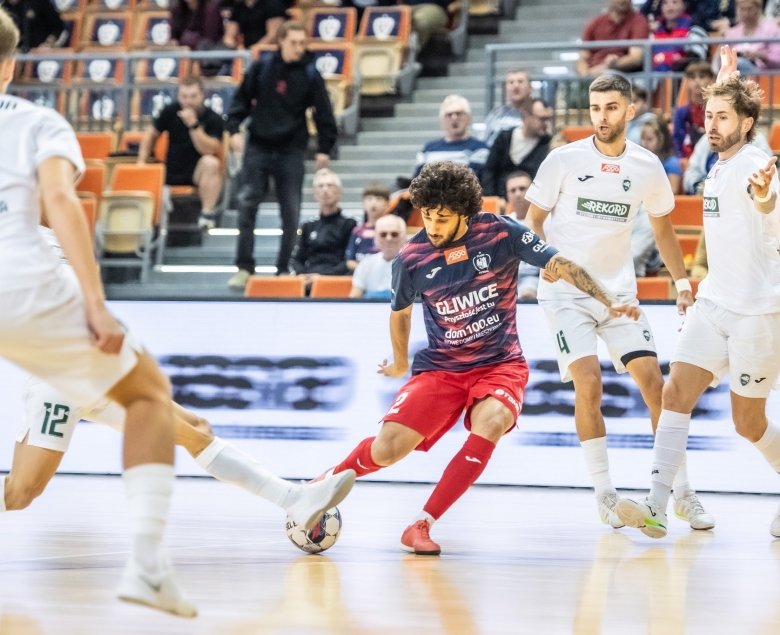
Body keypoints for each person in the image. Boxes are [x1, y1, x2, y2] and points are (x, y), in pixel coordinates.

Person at [311, 160, 643, 556]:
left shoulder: (502, 232)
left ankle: (422, 524)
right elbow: (400, 314)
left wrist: (609, 299)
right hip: (441, 368)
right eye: (428, 216)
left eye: (442, 218)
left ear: (465, 213)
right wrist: (400, 363)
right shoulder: (411, 259)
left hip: (500, 364)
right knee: (387, 450)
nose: (432, 227)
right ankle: (321, 486)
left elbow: (560, 264)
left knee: (493, 420)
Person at [0, 9, 194, 616]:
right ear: (10, 64)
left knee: (26, 486)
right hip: (26, 291)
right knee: (150, 398)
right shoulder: (36, 122)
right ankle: (145, 567)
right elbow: (60, 199)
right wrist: (94, 304)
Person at [8, 223, 356, 534]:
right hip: (63, 377)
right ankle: (295, 498)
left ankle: (295, 498)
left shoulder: (50, 235)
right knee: (21, 492)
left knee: (197, 428)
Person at [525, 74, 714, 532]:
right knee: (588, 386)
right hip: (566, 292)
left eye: (611, 107)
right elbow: (531, 223)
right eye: (595, 108)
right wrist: (542, 260)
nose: (601, 116)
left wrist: (682, 283)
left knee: (658, 387)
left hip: (619, 296)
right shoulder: (563, 160)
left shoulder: (648, 167)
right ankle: (606, 495)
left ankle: (681, 493)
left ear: (630, 110)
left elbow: (665, 231)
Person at [617, 46, 780, 539]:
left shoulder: (757, 163)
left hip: (757, 312)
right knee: (673, 394)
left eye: (723, 117)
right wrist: (726, 81)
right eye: (708, 116)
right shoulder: (716, 158)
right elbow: (724, 113)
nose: (711, 124)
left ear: (747, 122)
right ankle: (656, 506)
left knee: (748, 424)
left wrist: (766, 193)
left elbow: (765, 200)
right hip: (713, 303)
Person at [226, 21, 338, 287]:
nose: (299, 48)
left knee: (291, 211)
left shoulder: (310, 74)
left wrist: (324, 147)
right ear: (282, 42)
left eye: (302, 43)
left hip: (291, 149)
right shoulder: (262, 68)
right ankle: (244, 267)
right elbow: (240, 100)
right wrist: (233, 129)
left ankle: (282, 268)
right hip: (258, 145)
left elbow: (324, 113)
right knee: (246, 206)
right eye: (294, 43)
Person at [138, 75, 224, 230]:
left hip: (197, 173)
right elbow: (150, 134)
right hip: (171, 168)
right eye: (184, 96)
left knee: (211, 163)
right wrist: (141, 162)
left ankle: (206, 215)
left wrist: (193, 125)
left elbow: (210, 149)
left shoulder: (213, 118)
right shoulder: (170, 111)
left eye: (193, 96)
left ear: (202, 96)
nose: (188, 101)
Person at [290, 169, 357, 286]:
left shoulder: (350, 224)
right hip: (308, 279)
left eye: (330, 186)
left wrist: (323, 277)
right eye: (320, 186)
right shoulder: (308, 226)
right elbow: (297, 259)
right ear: (315, 194)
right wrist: (302, 274)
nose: (325, 190)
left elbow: (349, 261)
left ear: (339, 191)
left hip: (335, 281)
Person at [482, 99, 553, 198]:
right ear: (525, 117)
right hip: (499, 203)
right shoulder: (504, 138)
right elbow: (489, 171)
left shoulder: (548, 145)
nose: (546, 123)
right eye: (542, 119)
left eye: (549, 118)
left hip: (531, 204)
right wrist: (493, 200)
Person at [414, 95, 489, 180]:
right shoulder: (428, 149)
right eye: (449, 115)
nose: (454, 118)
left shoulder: (479, 148)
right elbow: (418, 178)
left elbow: (471, 179)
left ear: (469, 118)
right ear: (442, 121)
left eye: (459, 114)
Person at [683, 124, 771, 194]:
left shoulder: (757, 140)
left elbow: (763, 176)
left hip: (743, 201)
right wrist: (700, 188)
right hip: (706, 201)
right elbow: (691, 171)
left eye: (723, 117)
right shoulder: (706, 140)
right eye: (710, 116)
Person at [576, 0, 649, 76]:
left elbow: (635, 58)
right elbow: (583, 57)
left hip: (621, 77)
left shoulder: (639, 22)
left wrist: (609, 66)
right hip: (593, 76)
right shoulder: (594, 23)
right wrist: (585, 73)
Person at [349, 215, 406, 299]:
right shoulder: (365, 265)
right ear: (376, 238)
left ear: (403, 238)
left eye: (394, 234)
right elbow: (353, 299)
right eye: (383, 234)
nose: (389, 238)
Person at [503, 172, 541, 300]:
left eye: (522, 189)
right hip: (506, 279)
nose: (518, 194)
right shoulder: (502, 224)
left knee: (527, 295)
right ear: (508, 196)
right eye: (512, 190)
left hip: (534, 278)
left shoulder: (546, 222)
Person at [723, 0, 780, 74]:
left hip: (764, 73)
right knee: (736, 64)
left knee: (739, 63)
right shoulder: (731, 32)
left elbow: (778, 59)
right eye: (742, 9)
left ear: (758, 9)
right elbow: (721, 62)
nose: (745, 13)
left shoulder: (772, 28)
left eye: (749, 9)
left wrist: (759, 55)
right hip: (735, 71)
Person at [672, 61, 714, 158]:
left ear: (712, 80)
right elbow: (677, 140)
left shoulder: (717, 109)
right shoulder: (681, 112)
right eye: (692, 78)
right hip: (687, 159)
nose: (697, 81)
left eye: (702, 77)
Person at [482, 69, 533, 148]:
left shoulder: (536, 115)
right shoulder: (495, 114)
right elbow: (485, 140)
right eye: (511, 82)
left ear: (530, 87)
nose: (515, 86)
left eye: (520, 81)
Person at [346, 183, 390, 272]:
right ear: (363, 205)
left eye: (378, 199)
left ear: (387, 205)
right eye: (369, 199)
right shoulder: (357, 231)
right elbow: (350, 261)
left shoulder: (392, 231)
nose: (373, 202)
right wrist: (365, 271)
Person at [640, 115, 683, 194]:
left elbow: (673, 192)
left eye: (649, 139)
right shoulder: (640, 161)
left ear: (661, 139)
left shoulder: (672, 163)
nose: (644, 143)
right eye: (642, 139)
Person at [223, 0, 287, 51]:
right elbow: (229, 35)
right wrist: (231, 47)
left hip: (268, 51)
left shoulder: (273, 3)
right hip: (247, 52)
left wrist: (253, 49)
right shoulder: (239, 6)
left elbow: (273, 35)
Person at [649, 0, 692, 71]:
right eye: (665, 3)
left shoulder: (692, 26)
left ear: (684, 6)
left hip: (682, 75)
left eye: (674, 2)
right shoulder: (653, 30)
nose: (670, 6)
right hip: (656, 76)